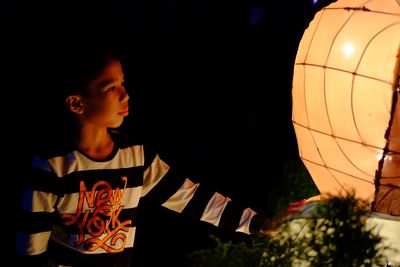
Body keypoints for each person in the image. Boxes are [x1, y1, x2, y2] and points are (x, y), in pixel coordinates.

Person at [15, 41, 306, 267]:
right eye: (110, 88)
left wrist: (259, 224)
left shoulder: (135, 158)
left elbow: (192, 198)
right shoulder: (52, 169)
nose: (124, 95)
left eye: (123, 84)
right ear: (77, 104)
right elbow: (30, 248)